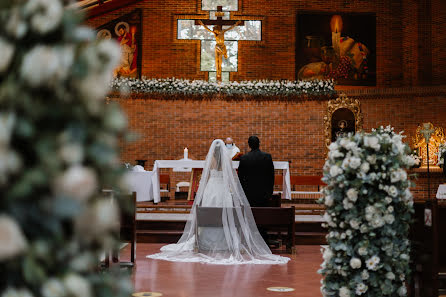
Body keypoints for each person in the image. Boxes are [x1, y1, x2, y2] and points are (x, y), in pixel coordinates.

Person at [146, 139, 289, 265]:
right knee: (225, 212)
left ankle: (207, 241)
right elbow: (231, 177)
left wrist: (202, 191)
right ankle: (225, 242)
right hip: (223, 190)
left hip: (211, 189)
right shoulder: (227, 161)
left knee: (209, 209)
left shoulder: (211, 160)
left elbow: (205, 177)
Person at [237, 136, 274, 207]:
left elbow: (240, 177)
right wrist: (270, 193)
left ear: (249, 145)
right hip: (263, 192)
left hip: (248, 192)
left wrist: (241, 193)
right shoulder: (267, 157)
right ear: (259, 144)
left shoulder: (244, 158)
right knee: (262, 215)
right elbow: (271, 176)